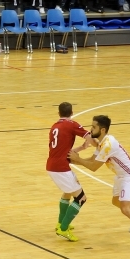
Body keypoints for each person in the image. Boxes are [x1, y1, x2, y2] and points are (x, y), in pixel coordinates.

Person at [68, 115, 130, 252]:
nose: (90, 130)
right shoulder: (101, 143)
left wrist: (77, 160)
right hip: (121, 177)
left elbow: (93, 167)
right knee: (116, 202)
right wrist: (74, 160)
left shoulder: (108, 144)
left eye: (93, 127)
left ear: (102, 130)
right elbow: (92, 160)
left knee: (125, 208)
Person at [47, 102, 91, 242]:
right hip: (61, 168)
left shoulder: (54, 127)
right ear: (72, 113)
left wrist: (81, 148)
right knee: (81, 198)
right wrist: (99, 146)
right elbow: (89, 136)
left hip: (52, 165)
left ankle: (60, 223)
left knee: (67, 193)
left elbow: (64, 152)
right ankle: (63, 228)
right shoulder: (71, 124)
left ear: (58, 113)